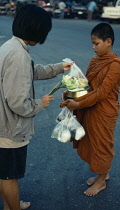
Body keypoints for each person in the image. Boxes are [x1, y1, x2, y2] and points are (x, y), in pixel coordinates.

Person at [0, 4, 73, 210]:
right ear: (37, 30)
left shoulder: (11, 47)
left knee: (4, 174)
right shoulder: (18, 55)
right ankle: (13, 207)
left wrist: (60, 68)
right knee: (10, 177)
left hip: (2, 126)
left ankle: (9, 205)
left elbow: (32, 71)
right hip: (10, 130)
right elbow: (18, 103)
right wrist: (40, 103)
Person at [61, 23, 120, 196]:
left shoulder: (115, 65)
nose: (93, 47)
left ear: (108, 41)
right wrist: (71, 94)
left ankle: (102, 181)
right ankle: (102, 173)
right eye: (93, 43)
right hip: (91, 108)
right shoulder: (95, 60)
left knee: (102, 145)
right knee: (93, 144)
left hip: (105, 111)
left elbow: (102, 93)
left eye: (96, 43)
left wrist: (78, 104)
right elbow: (87, 85)